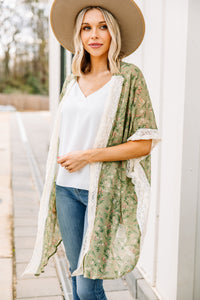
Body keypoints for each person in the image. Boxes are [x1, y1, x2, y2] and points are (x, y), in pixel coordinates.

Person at [23, 0, 160, 299]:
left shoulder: (129, 78)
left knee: (87, 286)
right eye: (87, 27)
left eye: (103, 27)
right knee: (76, 277)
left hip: (103, 193)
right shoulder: (72, 79)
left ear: (114, 33)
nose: (94, 35)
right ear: (79, 34)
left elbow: (144, 143)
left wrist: (88, 156)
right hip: (65, 190)